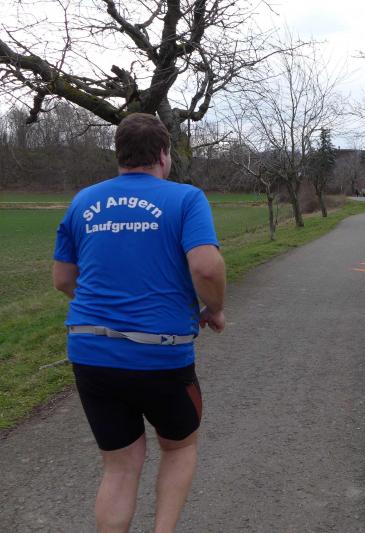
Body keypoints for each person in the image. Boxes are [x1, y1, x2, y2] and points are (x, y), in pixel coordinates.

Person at [52, 113, 226, 533]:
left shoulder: (83, 201)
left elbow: (62, 279)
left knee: (120, 466)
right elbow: (206, 267)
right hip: (161, 355)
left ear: (119, 154)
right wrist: (215, 309)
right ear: (163, 154)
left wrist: (103, 308)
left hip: (91, 352)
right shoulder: (186, 199)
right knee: (179, 448)